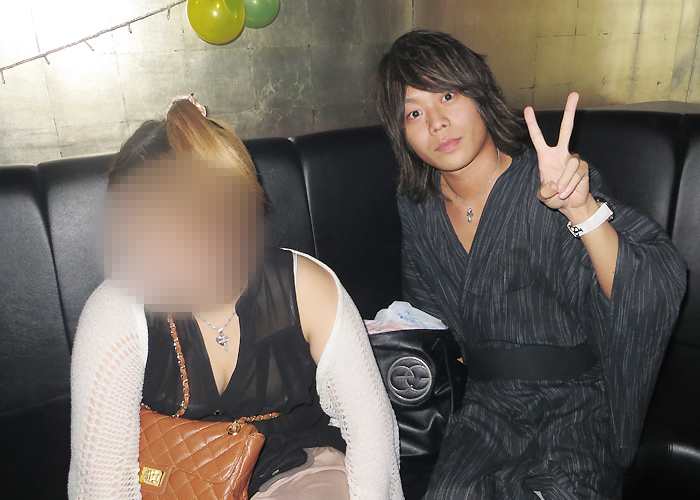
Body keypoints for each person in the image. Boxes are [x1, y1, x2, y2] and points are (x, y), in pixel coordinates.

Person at [375, 30, 686, 499]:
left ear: (480, 94)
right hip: (487, 408)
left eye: (447, 95)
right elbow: (427, 316)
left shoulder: (549, 181)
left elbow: (647, 290)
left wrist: (580, 209)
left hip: (578, 406)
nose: (436, 123)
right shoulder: (416, 205)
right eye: (413, 112)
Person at [68, 95, 403, 500]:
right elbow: (103, 482)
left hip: (293, 468)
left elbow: (371, 431)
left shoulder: (306, 286)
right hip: (173, 481)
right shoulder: (117, 308)